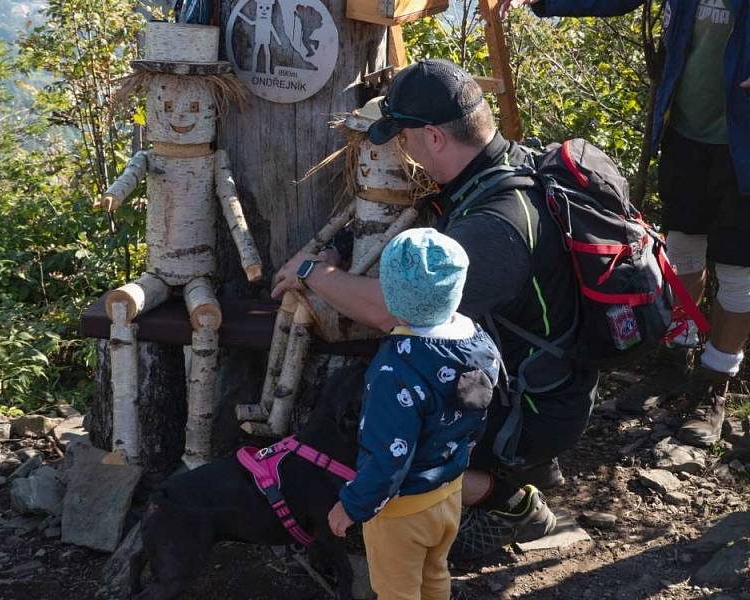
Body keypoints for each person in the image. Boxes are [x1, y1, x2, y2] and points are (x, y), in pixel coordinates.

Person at [275, 59, 597, 560]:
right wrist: (340, 246)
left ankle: (510, 499)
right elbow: (420, 220)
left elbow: (387, 311)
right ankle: (505, 471)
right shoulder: (492, 170)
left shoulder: (496, 226)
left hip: (531, 409)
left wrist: (313, 274)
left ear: (435, 137)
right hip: (519, 375)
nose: (399, 148)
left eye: (401, 137)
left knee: (375, 430)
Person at [499, 0, 750, 447]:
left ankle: (715, 380)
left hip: (744, 146)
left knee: (738, 273)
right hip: (686, 136)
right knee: (682, 250)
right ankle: (676, 357)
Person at [326, 227, 501, 599]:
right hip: (449, 491)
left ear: (392, 294)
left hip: (402, 510)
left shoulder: (395, 370)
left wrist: (352, 505)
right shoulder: (479, 342)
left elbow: (389, 455)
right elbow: (478, 408)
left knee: (396, 591)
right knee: (435, 574)